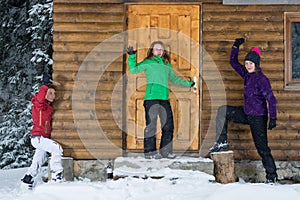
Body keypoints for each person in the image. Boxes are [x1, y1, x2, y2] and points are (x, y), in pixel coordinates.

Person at [209, 38, 278, 183]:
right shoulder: (246, 75)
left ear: (256, 64)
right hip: (247, 113)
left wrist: (273, 118)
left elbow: (271, 99)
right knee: (223, 111)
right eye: (246, 63)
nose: (247, 66)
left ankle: (272, 176)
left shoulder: (262, 79)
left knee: (262, 148)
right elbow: (233, 63)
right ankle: (222, 142)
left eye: (250, 64)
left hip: (258, 117)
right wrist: (235, 46)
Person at [127, 41, 195, 159]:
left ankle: (166, 152)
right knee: (151, 126)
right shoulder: (148, 63)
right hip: (151, 99)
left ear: (164, 52)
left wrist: (189, 83)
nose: (159, 51)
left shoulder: (166, 65)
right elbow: (134, 70)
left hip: (164, 98)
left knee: (168, 126)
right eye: (156, 49)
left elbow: (174, 79)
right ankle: (150, 153)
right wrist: (132, 56)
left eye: (161, 49)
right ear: (152, 51)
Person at [21, 73, 63, 186]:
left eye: (54, 93)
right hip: (38, 137)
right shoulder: (39, 105)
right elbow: (40, 99)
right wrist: (44, 85)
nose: (53, 95)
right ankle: (56, 175)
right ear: (44, 94)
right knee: (57, 149)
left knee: (38, 160)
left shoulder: (47, 107)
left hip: (42, 138)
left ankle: (28, 178)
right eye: (50, 93)